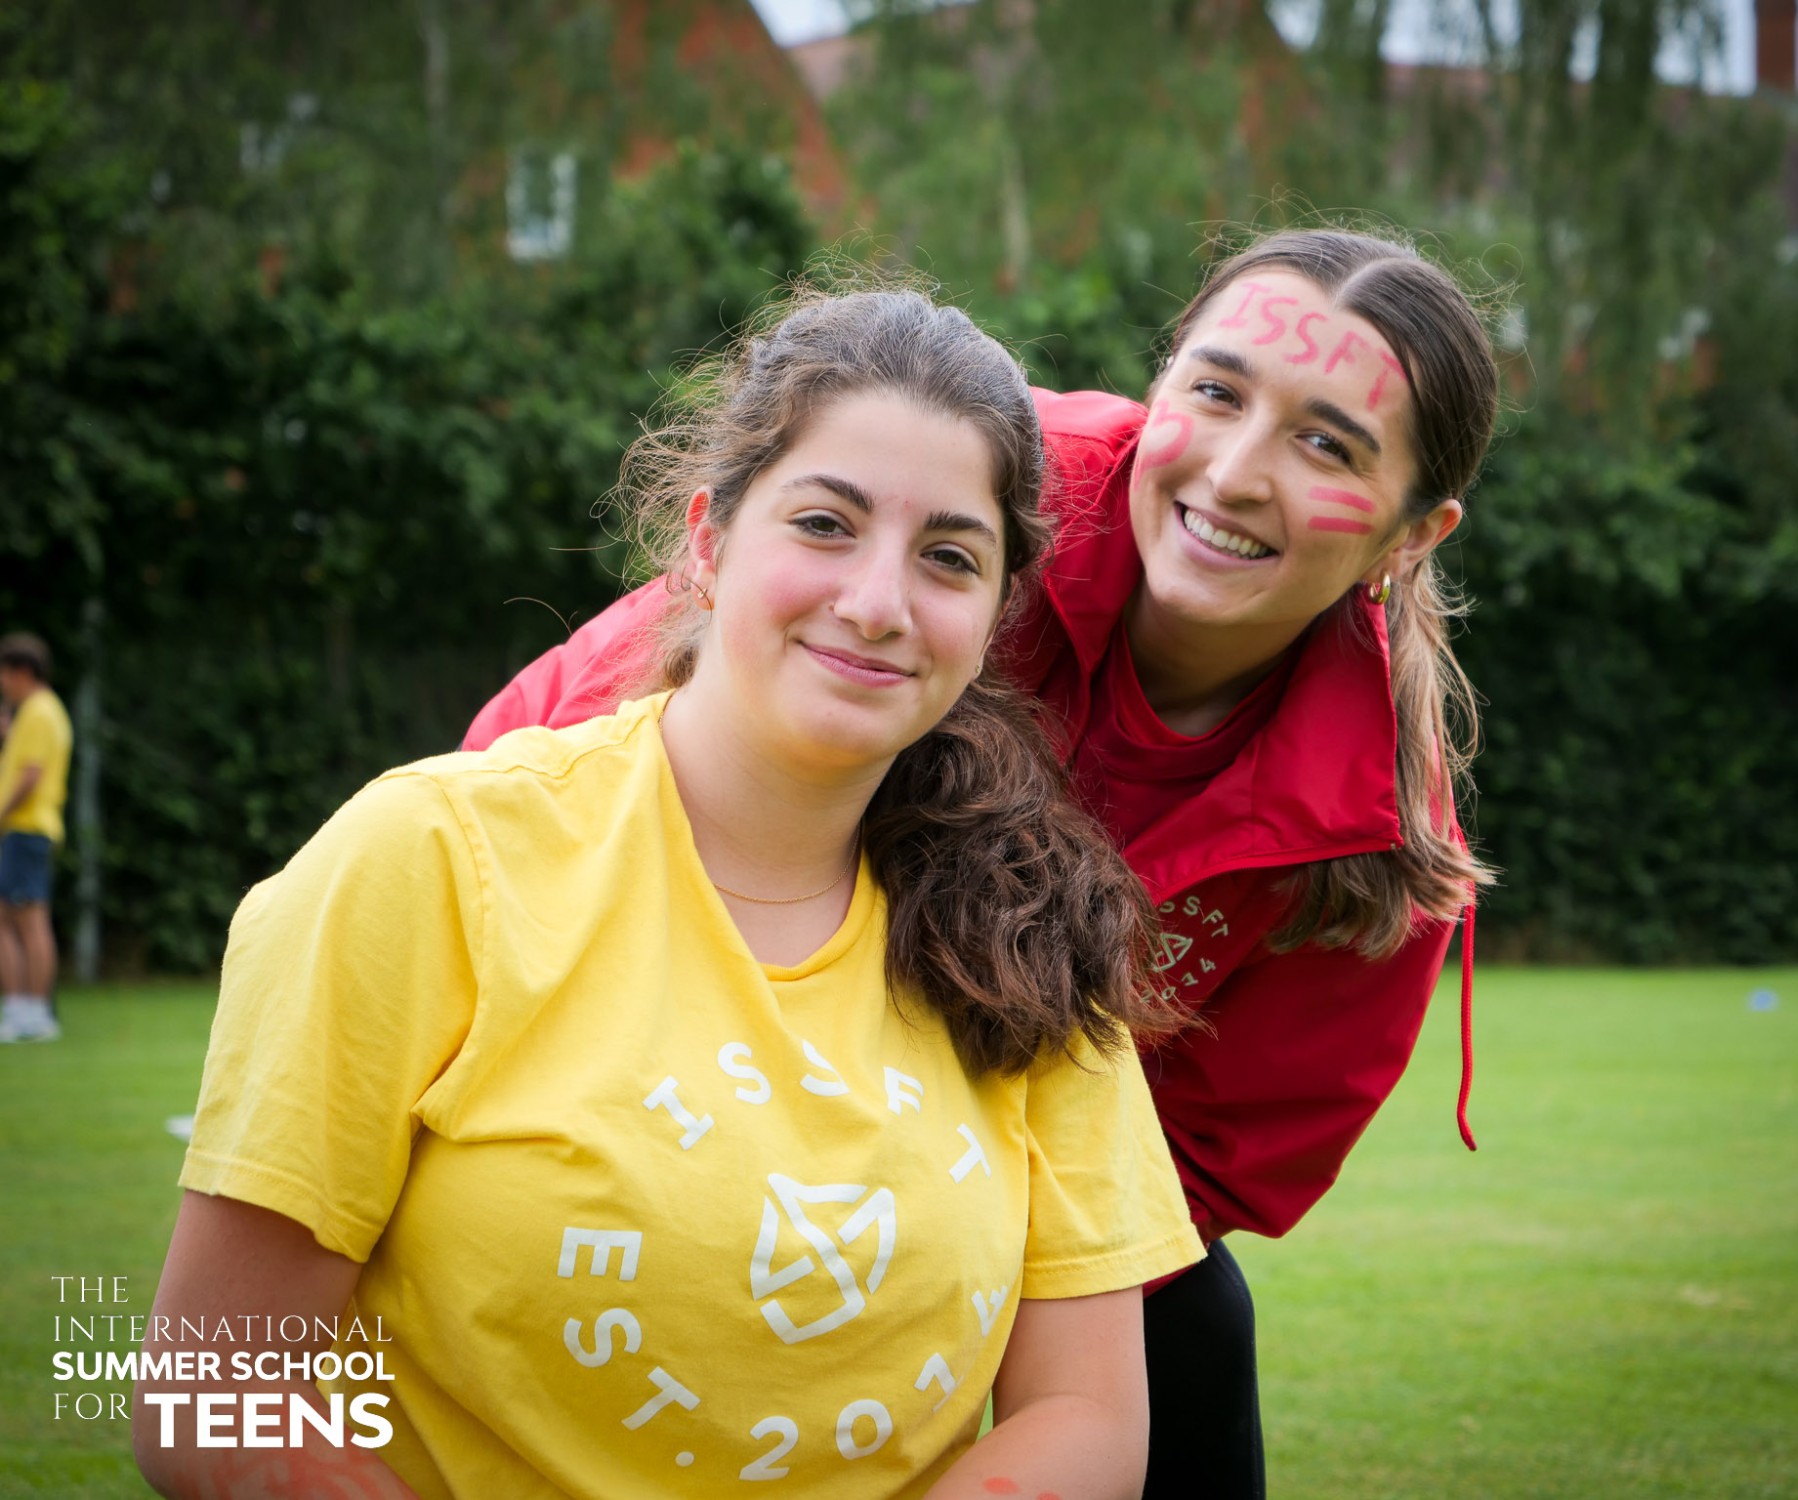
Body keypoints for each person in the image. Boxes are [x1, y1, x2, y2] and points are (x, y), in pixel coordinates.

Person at [465, 228, 1504, 1499]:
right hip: (653, 1048)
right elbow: (580, 739)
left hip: (998, 1183)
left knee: (1189, 1327)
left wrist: (926, 1224)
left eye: (1326, 445)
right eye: (1215, 391)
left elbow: (1199, 1170)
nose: (1235, 473)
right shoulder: (952, 490)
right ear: (1160, 380)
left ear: (1411, 533)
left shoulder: (1378, 834)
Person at [135, 287, 1203, 1500]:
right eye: (824, 524)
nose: (876, 603)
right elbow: (208, 1395)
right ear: (705, 541)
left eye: (947, 557)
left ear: (995, 615)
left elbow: (1083, 1414)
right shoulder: (431, 857)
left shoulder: (1036, 932)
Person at [0, 632, 73, 1045]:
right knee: (25, 918)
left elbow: (29, 775)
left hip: (26, 826)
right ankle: (30, 1010)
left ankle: (27, 1011)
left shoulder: (38, 712)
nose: (3, 684)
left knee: (25, 919)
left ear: (24, 671)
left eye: (5, 674)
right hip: (33, 828)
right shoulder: (43, 712)